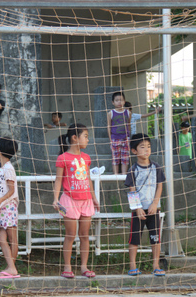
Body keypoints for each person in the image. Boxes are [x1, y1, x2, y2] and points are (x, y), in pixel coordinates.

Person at [53, 123, 100, 279]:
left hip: (86, 201)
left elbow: (88, 179)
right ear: (74, 137)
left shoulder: (86, 158)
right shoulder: (63, 158)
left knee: (85, 235)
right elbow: (58, 180)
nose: (87, 140)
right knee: (70, 235)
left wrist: (94, 198)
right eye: (85, 136)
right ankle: (67, 267)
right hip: (69, 201)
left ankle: (84, 267)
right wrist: (55, 199)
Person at [124, 133, 166, 276]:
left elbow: (160, 186)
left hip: (154, 210)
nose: (146, 149)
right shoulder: (133, 169)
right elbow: (132, 190)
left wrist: (155, 203)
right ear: (134, 151)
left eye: (148, 146)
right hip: (139, 210)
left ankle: (155, 265)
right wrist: (137, 208)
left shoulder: (156, 167)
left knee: (155, 238)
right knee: (134, 238)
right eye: (142, 147)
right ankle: (132, 265)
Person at [0, 137, 20, 279]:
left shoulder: (8, 169)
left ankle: (11, 268)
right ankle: (10, 267)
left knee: (12, 238)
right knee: (2, 238)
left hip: (8, 208)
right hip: (2, 209)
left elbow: (11, 190)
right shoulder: (4, 168)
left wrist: (0, 200)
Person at [107, 91, 131, 175]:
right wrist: (110, 139)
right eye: (117, 100)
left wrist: (128, 137)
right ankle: (116, 174)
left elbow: (128, 125)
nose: (119, 102)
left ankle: (124, 174)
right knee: (115, 158)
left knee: (125, 158)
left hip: (125, 138)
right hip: (115, 138)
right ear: (113, 102)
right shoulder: (111, 113)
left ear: (124, 101)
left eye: (121, 100)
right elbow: (109, 126)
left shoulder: (128, 112)